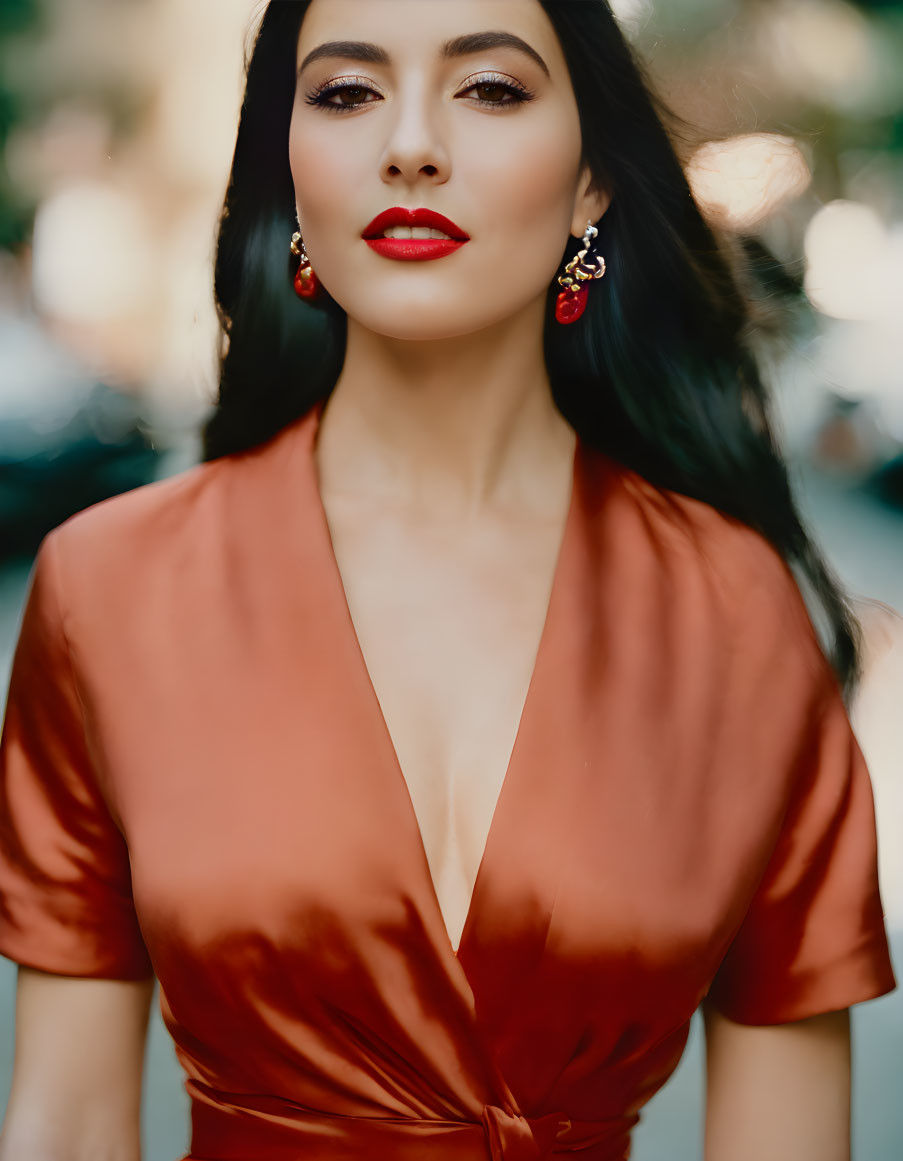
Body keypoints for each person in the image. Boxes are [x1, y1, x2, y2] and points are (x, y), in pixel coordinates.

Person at [0, 2, 896, 1159]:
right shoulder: (109, 588)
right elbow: (63, 1127)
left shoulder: (736, 611)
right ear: (288, 166)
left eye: (490, 89)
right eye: (344, 93)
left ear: (591, 187)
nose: (410, 144)